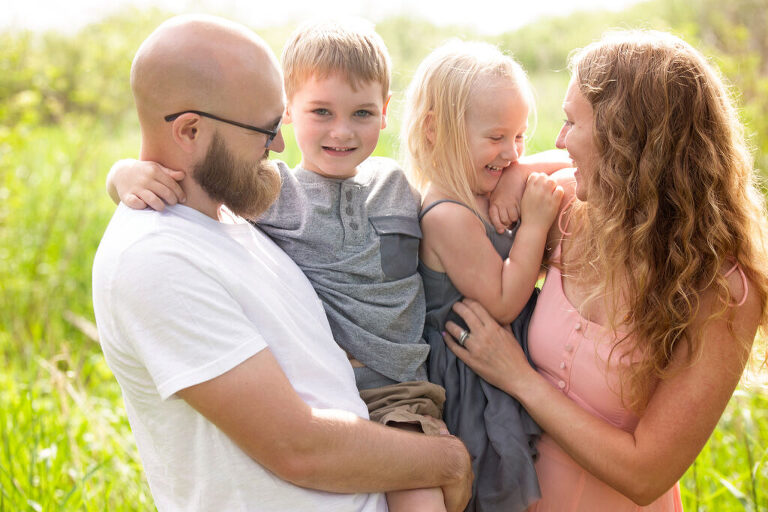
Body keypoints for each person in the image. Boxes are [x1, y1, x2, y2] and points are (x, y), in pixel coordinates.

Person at [92, 14, 474, 512]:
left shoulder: (235, 212)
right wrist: (449, 462)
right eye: (266, 128)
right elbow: (297, 449)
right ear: (189, 130)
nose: (279, 145)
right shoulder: (155, 257)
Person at [444, 30, 768, 511]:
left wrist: (518, 377)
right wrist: (517, 173)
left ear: (627, 139)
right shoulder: (572, 213)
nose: (559, 140)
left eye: (571, 122)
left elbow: (645, 473)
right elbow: (476, 179)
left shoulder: (721, 290)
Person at [400, 40, 569, 511]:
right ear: (435, 130)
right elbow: (501, 302)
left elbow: (569, 165)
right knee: (492, 489)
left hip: (499, 369)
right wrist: (533, 224)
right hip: (471, 383)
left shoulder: (485, 184)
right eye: (496, 138)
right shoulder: (446, 215)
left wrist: (517, 177)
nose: (512, 152)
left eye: (519, 137)